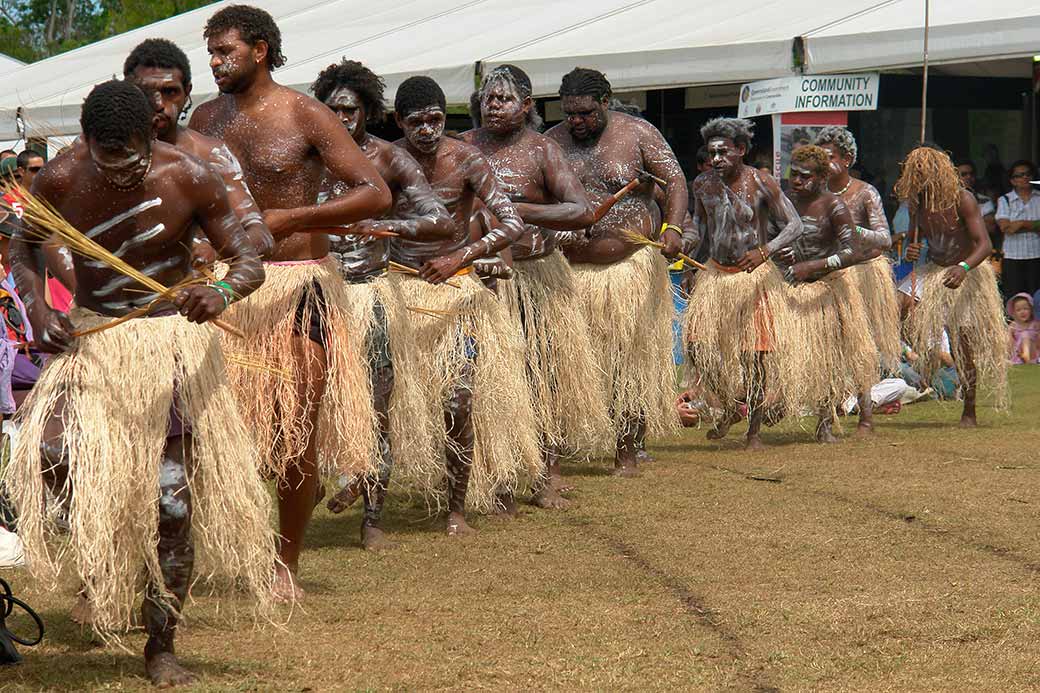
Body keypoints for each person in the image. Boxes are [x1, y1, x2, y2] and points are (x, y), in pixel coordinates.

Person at [4, 80, 275, 686]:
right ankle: (106, 540)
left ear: (151, 134)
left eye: (132, 154)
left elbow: (250, 255)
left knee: (171, 505)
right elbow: (21, 253)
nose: (123, 170)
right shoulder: (59, 179)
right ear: (86, 137)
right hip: (96, 341)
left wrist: (222, 289)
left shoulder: (190, 175)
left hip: (166, 345)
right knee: (50, 455)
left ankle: (162, 644)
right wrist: (41, 311)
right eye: (108, 155)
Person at [189, 5, 391, 599]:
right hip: (228, 287)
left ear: (259, 49)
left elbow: (373, 192)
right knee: (220, 429)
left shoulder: (306, 113)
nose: (215, 62)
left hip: (297, 285)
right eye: (211, 52)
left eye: (225, 51)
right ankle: (226, 547)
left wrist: (293, 216)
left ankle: (285, 566)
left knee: (293, 434)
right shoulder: (205, 117)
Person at [310, 59, 451, 549]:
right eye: (331, 110)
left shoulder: (389, 159)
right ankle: (312, 485)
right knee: (306, 400)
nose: (341, 118)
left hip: (369, 294)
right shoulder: (306, 155)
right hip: (315, 293)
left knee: (377, 404)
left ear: (368, 111)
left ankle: (372, 518)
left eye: (350, 110)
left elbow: (439, 220)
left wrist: (388, 225)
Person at [391, 75, 540, 533]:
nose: (428, 131)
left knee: (458, 401)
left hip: (456, 294)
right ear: (399, 121)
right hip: (396, 292)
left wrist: (462, 256)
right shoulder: (383, 160)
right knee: (390, 400)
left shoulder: (466, 159)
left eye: (436, 119)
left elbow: (511, 222)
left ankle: (457, 509)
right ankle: (374, 508)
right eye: (417, 122)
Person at [462, 64, 613, 508]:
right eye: (488, 97)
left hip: (536, 278)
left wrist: (515, 212)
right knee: (490, 378)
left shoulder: (542, 150)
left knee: (542, 375)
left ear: (527, 105)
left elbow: (582, 210)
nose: (494, 104)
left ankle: (546, 475)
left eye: (505, 98)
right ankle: (498, 476)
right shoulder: (462, 147)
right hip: (482, 279)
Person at [545, 67, 684, 475]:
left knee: (629, 358)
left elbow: (674, 181)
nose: (577, 122)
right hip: (568, 271)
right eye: (570, 113)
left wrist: (673, 227)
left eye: (586, 113)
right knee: (569, 360)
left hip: (626, 268)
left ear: (605, 102)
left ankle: (628, 447)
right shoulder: (551, 143)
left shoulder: (638, 134)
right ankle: (566, 441)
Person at [681, 117, 803, 450]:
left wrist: (766, 250)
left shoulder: (762, 182)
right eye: (712, 152)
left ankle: (754, 431)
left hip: (755, 279)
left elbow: (794, 225)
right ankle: (730, 405)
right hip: (715, 275)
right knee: (698, 346)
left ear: (742, 150)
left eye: (724, 152)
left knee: (756, 355)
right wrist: (688, 261)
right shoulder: (702, 185)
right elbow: (700, 229)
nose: (717, 159)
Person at [124, 38, 273, 262]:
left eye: (170, 92)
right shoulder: (101, 150)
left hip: (196, 291)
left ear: (187, 92)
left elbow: (260, 235)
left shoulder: (210, 155)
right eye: (146, 92)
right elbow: (54, 234)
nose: (158, 103)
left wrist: (216, 250)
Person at [896, 145, 1008, 426]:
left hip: (966, 272)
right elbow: (914, 241)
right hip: (934, 270)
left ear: (939, 172)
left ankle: (968, 407)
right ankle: (925, 354)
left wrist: (964, 267)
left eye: (925, 173)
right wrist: (910, 250)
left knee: (963, 344)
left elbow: (985, 244)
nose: (921, 180)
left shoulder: (963, 199)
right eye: (916, 174)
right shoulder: (917, 204)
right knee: (897, 305)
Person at [773, 145, 876, 442]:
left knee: (831, 357)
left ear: (820, 177)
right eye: (793, 174)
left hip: (828, 290)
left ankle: (826, 422)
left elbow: (854, 252)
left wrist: (813, 265)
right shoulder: (785, 202)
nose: (796, 180)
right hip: (791, 289)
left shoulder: (834, 206)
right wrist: (781, 254)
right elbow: (769, 237)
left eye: (804, 176)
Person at [815, 125, 900, 434]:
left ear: (847, 158)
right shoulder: (816, 193)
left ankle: (866, 415)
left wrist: (853, 228)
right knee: (825, 343)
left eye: (830, 157)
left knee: (861, 346)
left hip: (863, 273)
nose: (824, 164)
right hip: (831, 274)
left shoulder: (865, 192)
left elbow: (884, 238)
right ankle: (826, 414)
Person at [995, 159, 1040, 299]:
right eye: (1019, 175)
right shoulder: (1004, 200)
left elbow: (1013, 227)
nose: (1025, 177)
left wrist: (1020, 223)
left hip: (1037, 255)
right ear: (1012, 181)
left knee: (1037, 297)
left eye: (1027, 174)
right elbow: (1005, 228)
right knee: (1014, 298)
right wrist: (1034, 226)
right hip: (1012, 257)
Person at [955, 158, 999, 252]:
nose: (968, 177)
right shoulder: (945, 202)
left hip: (979, 252)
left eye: (971, 174)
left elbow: (990, 227)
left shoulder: (985, 200)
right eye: (964, 174)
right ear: (954, 177)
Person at [1007, 292, 1040, 364]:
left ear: (1031, 310)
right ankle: (1024, 356)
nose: (1022, 312)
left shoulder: (1035, 323)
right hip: (1019, 353)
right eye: (1018, 310)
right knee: (1025, 336)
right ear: (1014, 312)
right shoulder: (1014, 325)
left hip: (1034, 353)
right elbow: (1009, 340)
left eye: (1025, 308)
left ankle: (1026, 356)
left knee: (1026, 336)